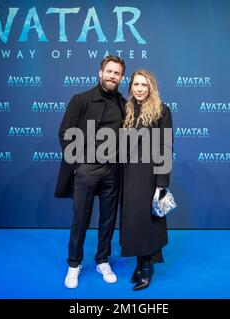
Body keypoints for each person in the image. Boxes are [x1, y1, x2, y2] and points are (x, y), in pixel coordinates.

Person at [55, 56, 127, 289]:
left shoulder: (124, 104)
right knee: (80, 219)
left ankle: (102, 260)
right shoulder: (81, 99)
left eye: (117, 73)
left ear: (121, 77)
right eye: (109, 71)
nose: (112, 76)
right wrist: (79, 165)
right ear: (100, 72)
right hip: (86, 170)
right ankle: (74, 264)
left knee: (108, 219)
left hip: (112, 170)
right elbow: (65, 133)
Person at [120, 69, 173, 291]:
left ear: (151, 87)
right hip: (128, 173)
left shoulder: (162, 111)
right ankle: (140, 261)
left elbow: (165, 146)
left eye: (144, 85)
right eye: (136, 85)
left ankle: (147, 266)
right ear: (130, 87)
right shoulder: (126, 109)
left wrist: (161, 183)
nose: (140, 89)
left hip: (150, 174)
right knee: (133, 220)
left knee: (148, 220)